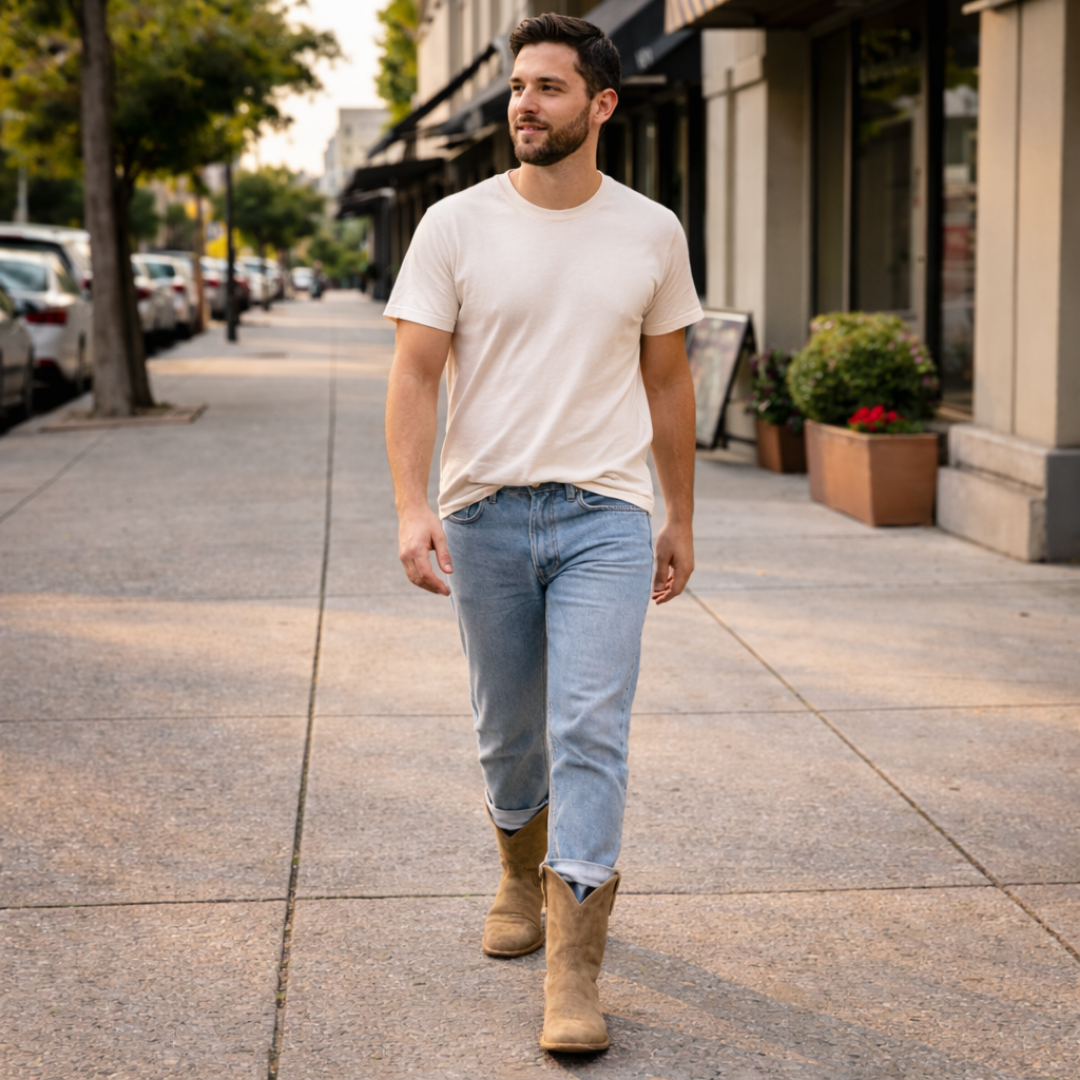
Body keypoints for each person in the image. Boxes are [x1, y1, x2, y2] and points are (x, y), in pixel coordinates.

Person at [383, 13, 701, 1054]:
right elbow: (417, 370)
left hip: (605, 515)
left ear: (602, 104)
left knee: (591, 730)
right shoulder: (455, 225)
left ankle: (574, 966)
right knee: (509, 734)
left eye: (550, 88)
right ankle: (519, 872)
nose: (525, 102)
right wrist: (411, 505)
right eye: (520, 86)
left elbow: (668, 380)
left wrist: (678, 515)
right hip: (484, 515)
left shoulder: (651, 230)